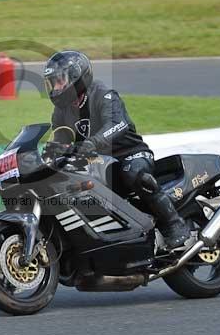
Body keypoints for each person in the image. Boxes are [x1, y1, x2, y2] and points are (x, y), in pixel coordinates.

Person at [43, 50, 191, 249]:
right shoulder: (61, 110)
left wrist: (93, 142)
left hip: (130, 153)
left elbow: (118, 123)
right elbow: (60, 138)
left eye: (60, 82)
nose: (56, 88)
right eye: (53, 83)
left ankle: (175, 224)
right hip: (98, 161)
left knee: (134, 174)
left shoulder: (103, 94)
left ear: (76, 77)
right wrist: (49, 153)